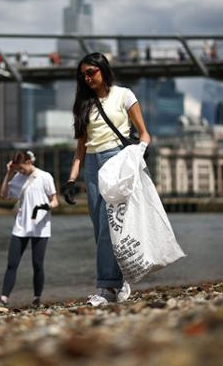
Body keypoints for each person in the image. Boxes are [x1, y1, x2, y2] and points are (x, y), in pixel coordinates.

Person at [63, 52, 150, 307]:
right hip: (92, 163)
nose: (87, 78)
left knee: (108, 224)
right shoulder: (83, 105)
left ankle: (106, 287)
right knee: (99, 226)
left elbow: (144, 134)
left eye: (91, 72)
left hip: (117, 160)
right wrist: (71, 181)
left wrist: (138, 154)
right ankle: (119, 280)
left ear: (104, 69)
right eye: (83, 75)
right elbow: (80, 147)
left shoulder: (125, 95)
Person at [0, 151, 59, 313]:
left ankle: (37, 299)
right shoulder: (16, 178)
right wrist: (9, 173)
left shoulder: (45, 177)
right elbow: (3, 195)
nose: (20, 172)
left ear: (28, 161)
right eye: (17, 169)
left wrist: (48, 206)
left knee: (37, 264)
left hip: (40, 227)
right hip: (20, 227)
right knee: (12, 263)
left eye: (21, 169)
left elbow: (55, 200)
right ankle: (3, 299)